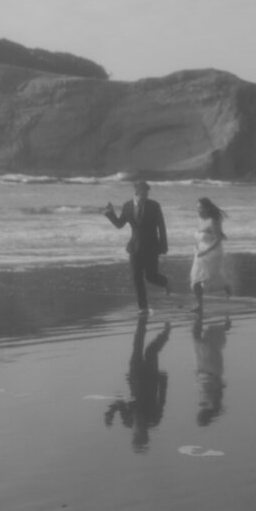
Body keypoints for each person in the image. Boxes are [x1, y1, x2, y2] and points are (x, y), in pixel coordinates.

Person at [104, 317, 171, 452]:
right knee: (150, 350)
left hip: (135, 377)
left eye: (136, 434)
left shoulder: (128, 420)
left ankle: (142, 320)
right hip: (151, 378)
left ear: (133, 434)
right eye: (143, 433)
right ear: (146, 433)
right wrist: (163, 380)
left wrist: (110, 412)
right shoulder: (154, 419)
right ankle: (166, 333)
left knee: (137, 345)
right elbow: (162, 399)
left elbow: (120, 401)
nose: (139, 429)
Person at [104, 180, 170, 315]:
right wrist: (110, 213)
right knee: (136, 277)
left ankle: (165, 282)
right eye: (143, 193)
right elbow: (119, 224)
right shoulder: (127, 206)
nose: (145, 196)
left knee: (151, 277)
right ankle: (143, 307)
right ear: (136, 193)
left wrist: (163, 246)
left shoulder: (154, 206)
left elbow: (161, 227)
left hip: (152, 246)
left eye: (147, 193)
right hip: (134, 247)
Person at [190, 197, 231, 313]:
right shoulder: (200, 218)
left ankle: (225, 286)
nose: (198, 210)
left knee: (212, 279)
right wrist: (197, 247)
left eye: (200, 208)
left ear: (207, 208)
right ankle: (199, 305)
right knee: (195, 281)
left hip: (213, 253)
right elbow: (199, 235)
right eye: (197, 208)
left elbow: (219, 239)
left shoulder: (213, 220)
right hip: (200, 253)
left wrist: (206, 251)